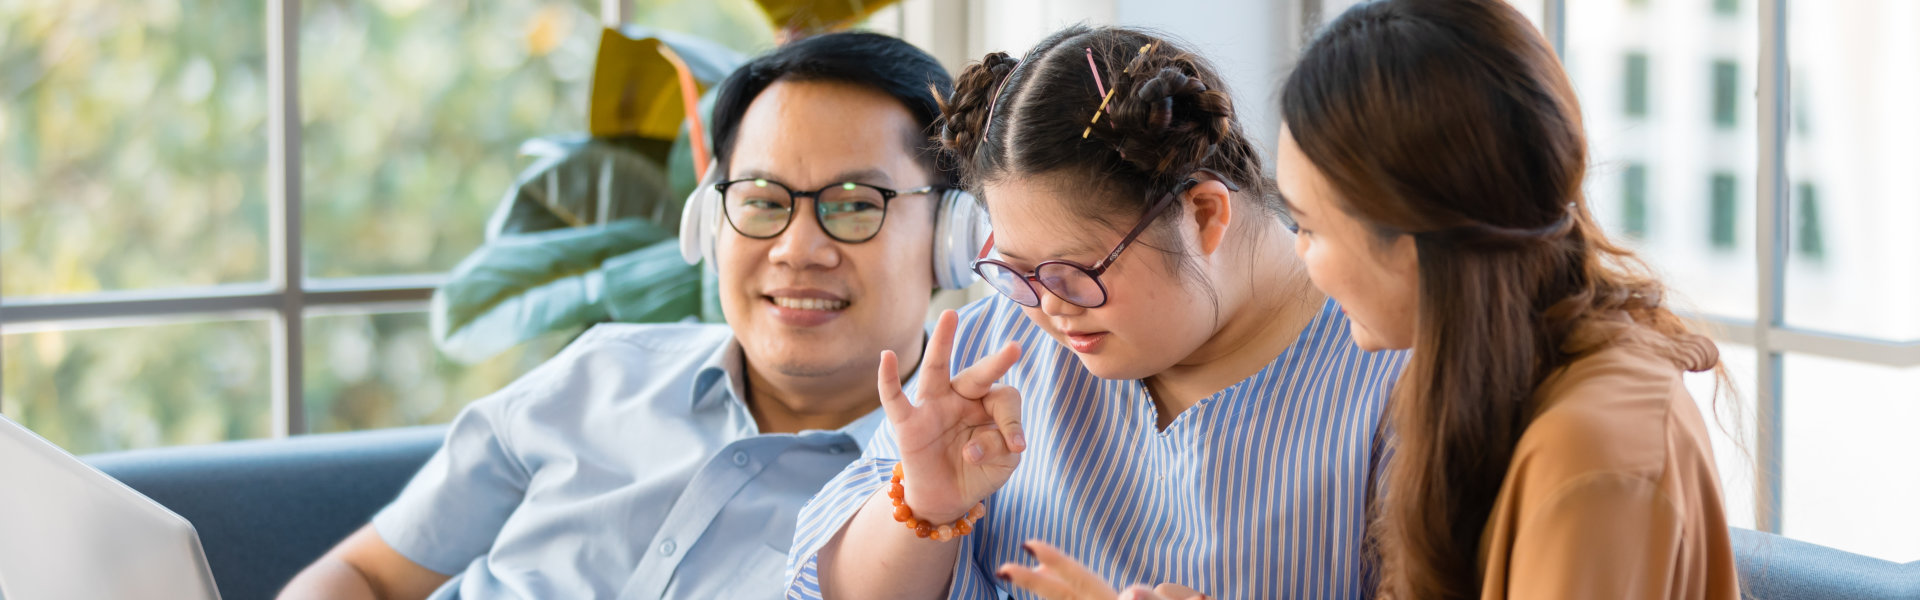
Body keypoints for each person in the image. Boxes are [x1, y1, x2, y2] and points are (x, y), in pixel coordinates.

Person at [279, 31, 972, 599]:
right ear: (708, 220)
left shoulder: (943, 495)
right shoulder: (598, 373)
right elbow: (365, 575)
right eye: (762, 200)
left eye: (853, 204)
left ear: (951, 238)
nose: (797, 250)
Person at [789, 25, 1408, 600]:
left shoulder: (1391, 376)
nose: (1048, 309)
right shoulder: (995, 351)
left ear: (1203, 215)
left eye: (1075, 272)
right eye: (1018, 271)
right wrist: (925, 505)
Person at [1271, 1, 1740, 597]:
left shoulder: (1589, 459)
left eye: (1308, 228)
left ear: (1411, 240)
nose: (1297, 253)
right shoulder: (1502, 375)